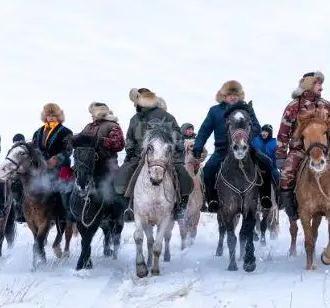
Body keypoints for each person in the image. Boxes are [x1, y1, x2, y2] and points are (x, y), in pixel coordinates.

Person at [276, 71, 330, 221]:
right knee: (285, 175)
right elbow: (284, 131)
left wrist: (324, 131)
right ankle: (291, 208)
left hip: (325, 148)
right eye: (318, 84)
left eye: (321, 85)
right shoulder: (293, 106)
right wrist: (281, 154)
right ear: (309, 86)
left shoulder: (325, 104)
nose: (321, 88)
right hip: (300, 150)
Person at [192, 80, 277, 212]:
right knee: (207, 171)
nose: (232, 97)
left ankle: (265, 196)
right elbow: (204, 131)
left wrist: (245, 137)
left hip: (246, 149)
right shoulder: (215, 111)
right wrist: (197, 148)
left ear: (239, 96)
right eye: (229, 94)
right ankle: (213, 199)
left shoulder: (246, 109)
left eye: (235, 94)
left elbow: (256, 128)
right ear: (224, 96)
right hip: (222, 150)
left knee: (266, 163)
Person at [113, 87, 193, 219]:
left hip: (166, 158)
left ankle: (180, 210)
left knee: (184, 178)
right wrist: (130, 156)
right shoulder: (135, 119)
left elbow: (179, 140)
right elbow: (130, 140)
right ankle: (128, 209)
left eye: (137, 102)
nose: (135, 105)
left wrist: (175, 159)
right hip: (140, 159)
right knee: (120, 178)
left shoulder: (167, 117)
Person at [31, 102, 74, 214]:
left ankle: (68, 214)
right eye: (48, 115)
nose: (50, 117)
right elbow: (34, 148)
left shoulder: (66, 131)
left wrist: (56, 159)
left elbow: (68, 150)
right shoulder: (38, 132)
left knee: (65, 190)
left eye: (53, 115)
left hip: (62, 167)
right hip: (42, 167)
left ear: (58, 116)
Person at [10, 133, 26, 223]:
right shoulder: (11, 152)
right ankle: (18, 214)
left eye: (20, 142)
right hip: (16, 177)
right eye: (16, 142)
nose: (18, 144)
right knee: (14, 191)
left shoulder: (29, 150)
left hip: (29, 176)